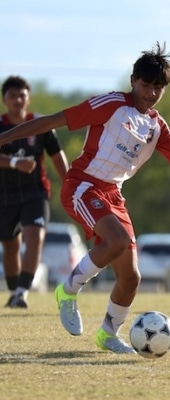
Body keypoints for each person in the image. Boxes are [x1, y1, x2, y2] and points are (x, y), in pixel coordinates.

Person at [0, 43, 170, 353]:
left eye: (158, 87)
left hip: (113, 195)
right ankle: (68, 291)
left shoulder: (157, 127)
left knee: (131, 278)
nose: (151, 93)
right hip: (82, 185)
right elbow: (53, 120)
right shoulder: (110, 104)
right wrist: (6, 136)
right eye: (146, 85)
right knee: (116, 241)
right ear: (133, 80)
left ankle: (107, 333)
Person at [0, 76, 69, 308]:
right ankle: (14, 291)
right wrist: (13, 163)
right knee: (11, 248)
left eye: (22, 95)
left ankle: (21, 292)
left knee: (36, 238)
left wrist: (70, 185)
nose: (18, 100)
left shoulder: (41, 125)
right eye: (12, 96)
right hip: (4, 196)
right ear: (4, 100)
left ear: (28, 98)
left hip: (35, 194)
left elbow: (57, 157)